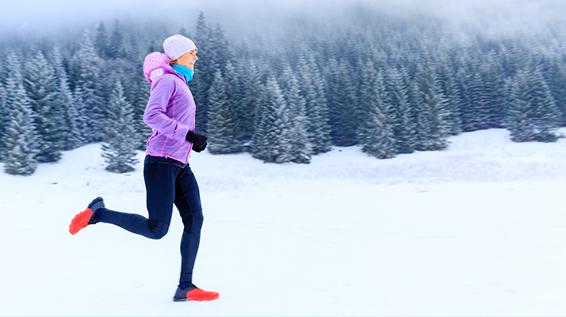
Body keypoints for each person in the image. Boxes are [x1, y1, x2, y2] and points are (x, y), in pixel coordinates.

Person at [68, 34, 219, 302]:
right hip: (161, 162)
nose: (196, 56)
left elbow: (175, 122)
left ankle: (186, 286)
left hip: (180, 164)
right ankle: (98, 213)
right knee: (157, 229)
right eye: (192, 52)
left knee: (195, 219)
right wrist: (188, 135)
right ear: (176, 56)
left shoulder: (180, 82)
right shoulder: (167, 80)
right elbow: (151, 115)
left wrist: (190, 140)